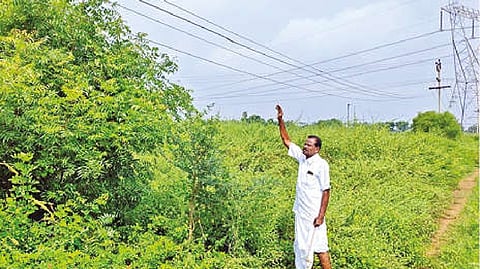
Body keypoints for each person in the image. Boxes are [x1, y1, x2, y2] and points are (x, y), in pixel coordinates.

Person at [276, 104, 332, 269]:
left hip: (314, 215)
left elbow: (326, 191)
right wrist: (280, 120)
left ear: (317, 148)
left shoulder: (321, 165)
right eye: (305, 144)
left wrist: (321, 216)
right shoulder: (302, 158)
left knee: (320, 248)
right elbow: (286, 140)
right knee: (301, 248)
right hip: (301, 212)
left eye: (309, 145)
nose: (305, 146)